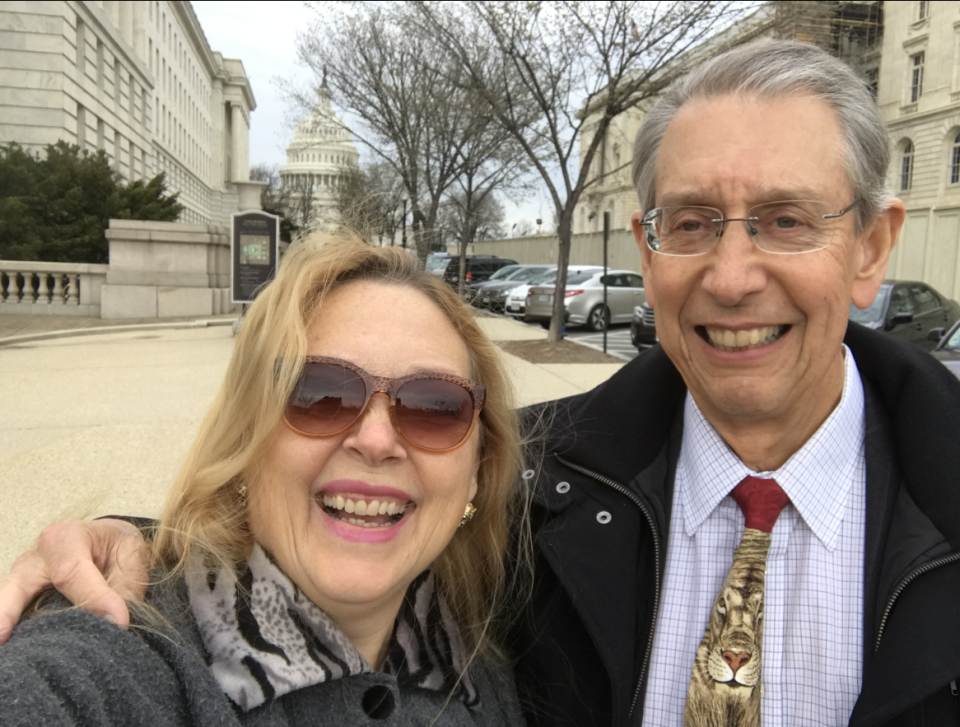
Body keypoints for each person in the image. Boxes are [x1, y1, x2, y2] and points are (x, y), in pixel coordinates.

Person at [3, 38, 960, 727]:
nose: (734, 273)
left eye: (787, 219)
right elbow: (326, 549)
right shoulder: (541, 489)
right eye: (695, 220)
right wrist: (137, 553)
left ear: (872, 247)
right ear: (647, 246)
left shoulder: (502, 504)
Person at [0, 234, 528, 726]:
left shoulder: (490, 664)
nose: (376, 440)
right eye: (318, 394)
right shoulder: (118, 650)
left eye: (435, 406)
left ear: (477, 474)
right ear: (245, 440)